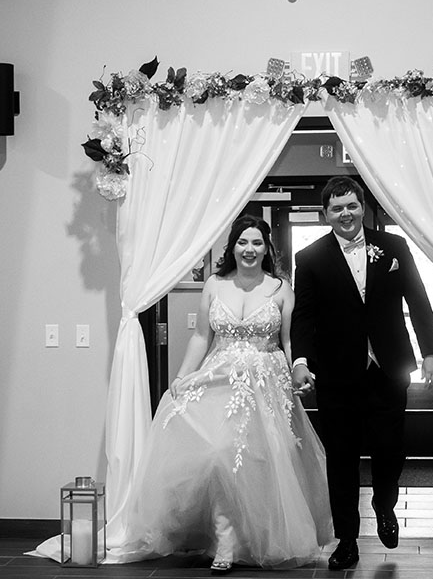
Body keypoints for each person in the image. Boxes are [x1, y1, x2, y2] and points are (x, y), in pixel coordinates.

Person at [113, 214, 334, 572]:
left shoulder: (280, 288)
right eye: (242, 242)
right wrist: (183, 376)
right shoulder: (215, 284)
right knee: (215, 454)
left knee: (258, 463)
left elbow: (291, 339)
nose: (249, 249)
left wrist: (297, 370)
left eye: (257, 243)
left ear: (267, 248)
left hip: (266, 381)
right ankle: (223, 537)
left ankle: (251, 537)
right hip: (220, 377)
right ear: (232, 247)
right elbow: (202, 336)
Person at [290, 176, 433, 571]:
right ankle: (347, 541)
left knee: (390, 451)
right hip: (337, 375)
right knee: (340, 459)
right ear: (326, 214)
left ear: (363, 207)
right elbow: (303, 316)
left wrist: (431, 352)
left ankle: (384, 503)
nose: (346, 213)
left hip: (389, 370)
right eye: (337, 208)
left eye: (352, 205)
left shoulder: (393, 248)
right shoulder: (309, 259)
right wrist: (301, 361)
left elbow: (419, 299)